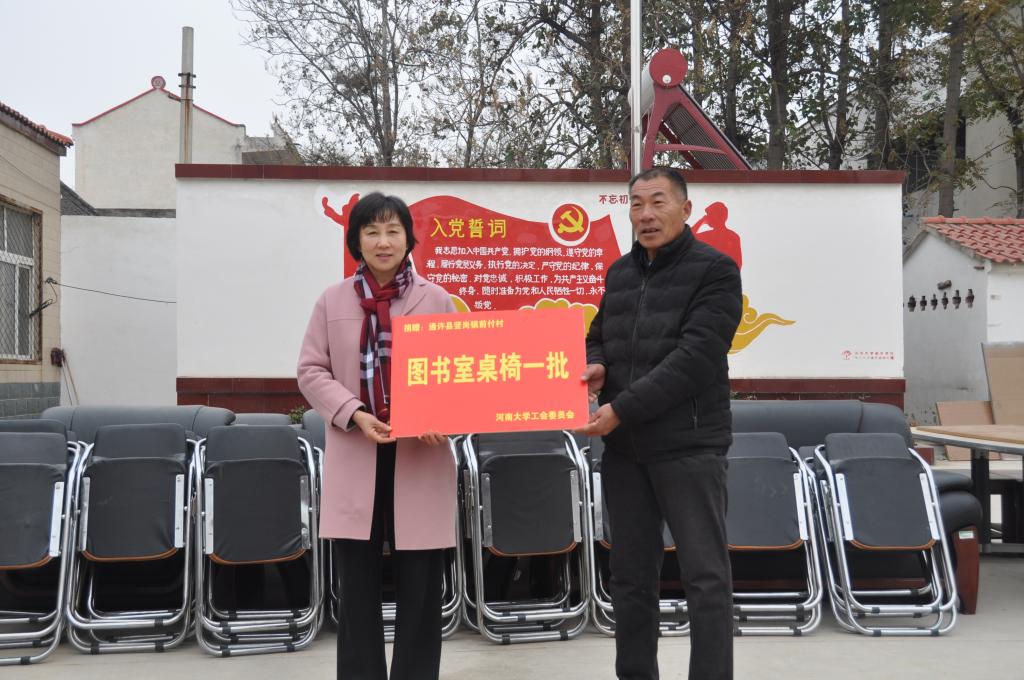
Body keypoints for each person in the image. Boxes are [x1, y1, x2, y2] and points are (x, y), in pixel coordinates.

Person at [578, 167, 742, 680]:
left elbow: (695, 359)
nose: (646, 214)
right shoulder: (620, 273)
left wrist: (621, 408)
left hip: (689, 448)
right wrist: (597, 364)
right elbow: (597, 334)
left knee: (706, 580)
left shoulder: (715, 271)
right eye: (636, 204)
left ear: (686, 209)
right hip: (626, 452)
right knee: (630, 579)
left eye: (658, 202)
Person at [297, 192, 456, 680]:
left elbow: (458, 375)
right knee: (358, 586)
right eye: (372, 231)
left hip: (421, 455)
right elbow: (311, 370)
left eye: (392, 231)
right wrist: (355, 413)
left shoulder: (436, 300)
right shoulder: (332, 300)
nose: (383, 242)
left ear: (409, 239)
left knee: (421, 586)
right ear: (356, 241)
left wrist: (443, 417)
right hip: (357, 449)